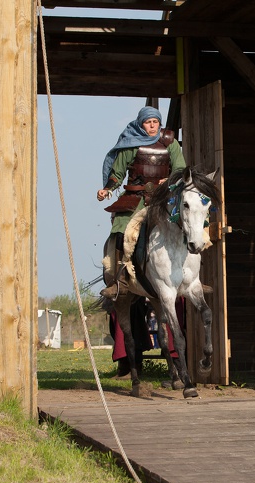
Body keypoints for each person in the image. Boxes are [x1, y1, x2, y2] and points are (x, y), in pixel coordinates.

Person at [98, 106, 186, 376]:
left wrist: (169, 180)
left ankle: (191, 274)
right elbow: (118, 172)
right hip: (136, 200)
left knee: (189, 228)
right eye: (148, 122)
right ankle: (119, 277)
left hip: (164, 197)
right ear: (140, 124)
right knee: (122, 232)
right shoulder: (130, 143)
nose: (151, 126)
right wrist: (108, 189)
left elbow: (181, 170)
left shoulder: (170, 143)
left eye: (155, 122)